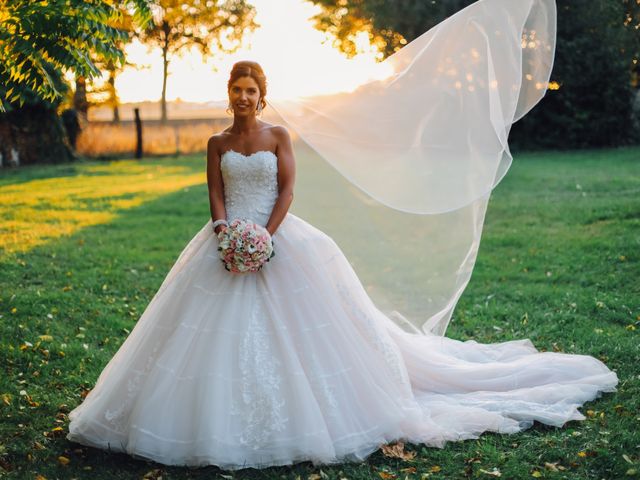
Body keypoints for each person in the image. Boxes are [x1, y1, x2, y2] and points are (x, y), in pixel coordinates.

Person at [65, 58, 618, 470]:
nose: (243, 96)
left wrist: (262, 236)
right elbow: (215, 192)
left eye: (251, 90)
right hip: (224, 240)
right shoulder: (215, 141)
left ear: (262, 95)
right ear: (228, 94)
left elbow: (285, 192)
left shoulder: (279, 135)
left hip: (276, 237)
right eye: (236, 89)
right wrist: (224, 233)